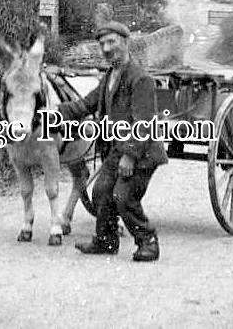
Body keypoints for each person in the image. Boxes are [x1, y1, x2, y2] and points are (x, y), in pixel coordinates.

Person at [58, 21, 167, 262]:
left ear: (125, 43)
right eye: (102, 44)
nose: (106, 49)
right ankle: (106, 241)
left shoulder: (140, 79)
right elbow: (85, 105)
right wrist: (55, 111)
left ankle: (148, 241)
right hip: (117, 150)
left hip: (142, 152)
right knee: (100, 192)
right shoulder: (110, 75)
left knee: (123, 197)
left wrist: (130, 154)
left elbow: (144, 122)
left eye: (111, 42)